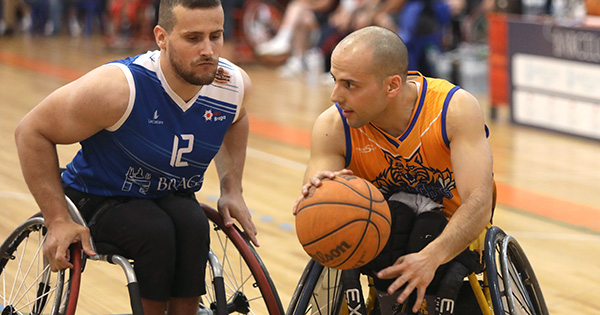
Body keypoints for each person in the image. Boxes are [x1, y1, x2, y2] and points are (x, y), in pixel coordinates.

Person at [14, 0, 258, 314]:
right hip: (96, 195)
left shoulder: (233, 86)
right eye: (193, 38)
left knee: (194, 225)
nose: (209, 50)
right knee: (155, 232)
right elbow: (30, 131)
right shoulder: (119, 88)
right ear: (162, 37)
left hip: (164, 193)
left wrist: (232, 188)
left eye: (216, 35)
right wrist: (57, 219)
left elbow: (237, 119)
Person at [294, 26, 493, 314]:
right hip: (384, 232)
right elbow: (315, 210)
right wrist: (318, 194)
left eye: (350, 85)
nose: (335, 96)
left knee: (428, 231)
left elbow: (479, 202)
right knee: (393, 224)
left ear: (392, 86)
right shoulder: (333, 126)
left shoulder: (452, 109)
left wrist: (431, 256)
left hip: (453, 227)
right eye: (335, 80)